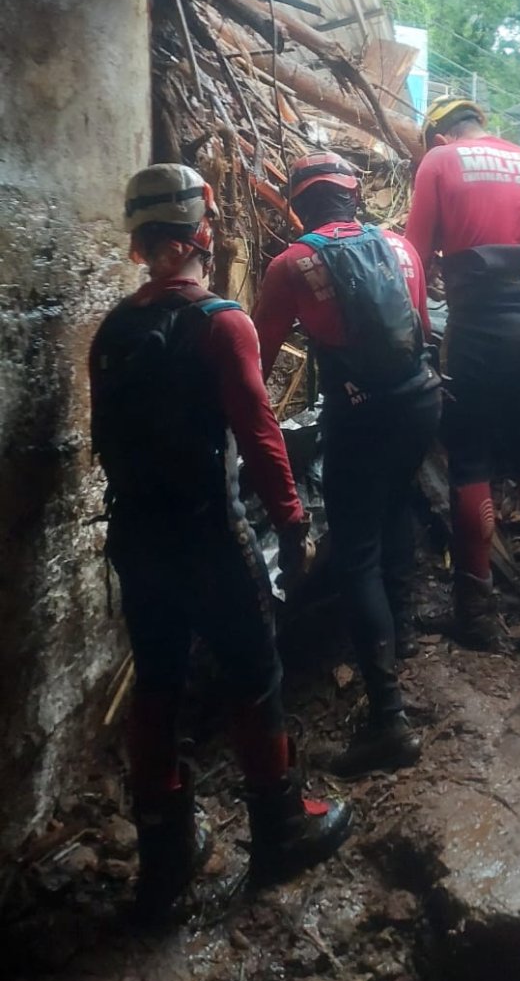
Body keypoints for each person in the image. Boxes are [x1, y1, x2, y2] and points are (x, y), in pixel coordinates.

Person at [89, 164, 351, 922]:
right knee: (252, 671)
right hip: (208, 527)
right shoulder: (221, 321)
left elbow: (108, 436)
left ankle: (165, 849)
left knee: (158, 679)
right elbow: (261, 435)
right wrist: (294, 520)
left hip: (137, 531)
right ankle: (279, 825)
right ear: (203, 231)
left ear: (140, 244)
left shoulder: (113, 329)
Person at [253, 151, 441, 778]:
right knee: (397, 507)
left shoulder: (289, 266)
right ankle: (404, 632)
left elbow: (257, 359)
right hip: (420, 402)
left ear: (299, 205)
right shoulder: (402, 249)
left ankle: (388, 719)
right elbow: (416, 326)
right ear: (352, 196)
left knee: (355, 548)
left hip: (358, 416)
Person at [404, 97, 520, 652]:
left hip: (481, 329)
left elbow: (413, 259)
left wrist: (420, 335)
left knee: (471, 460)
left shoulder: (441, 163)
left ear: (439, 136)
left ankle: (477, 612)